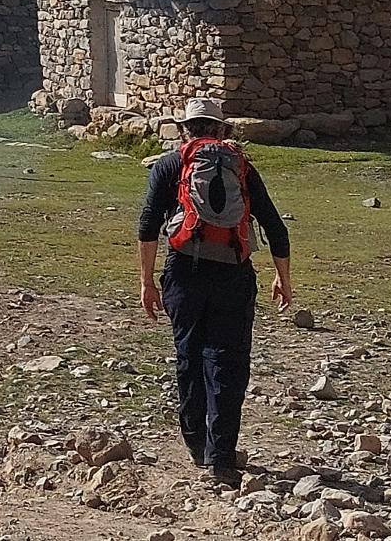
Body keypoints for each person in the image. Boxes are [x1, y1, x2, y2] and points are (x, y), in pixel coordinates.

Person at [137, 96, 292, 487]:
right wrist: (282, 278)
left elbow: (148, 225)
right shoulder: (241, 166)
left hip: (183, 274)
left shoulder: (171, 165)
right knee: (227, 363)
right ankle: (222, 458)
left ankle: (195, 445)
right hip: (233, 276)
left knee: (188, 356)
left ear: (185, 129)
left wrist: (146, 282)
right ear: (222, 130)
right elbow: (275, 226)